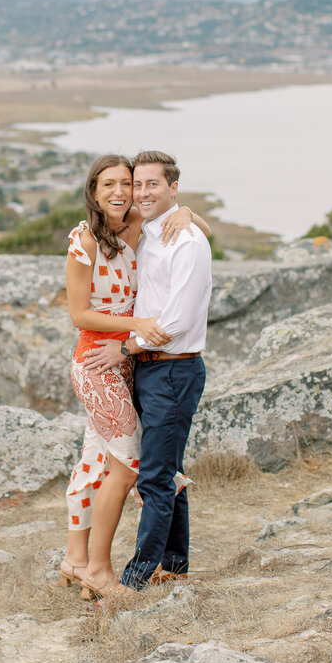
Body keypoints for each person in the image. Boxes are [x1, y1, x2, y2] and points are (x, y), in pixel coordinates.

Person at [59, 154, 211, 599]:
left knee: (97, 461)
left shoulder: (137, 229)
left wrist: (185, 211)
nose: (123, 192)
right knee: (127, 467)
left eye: (129, 183)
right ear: (93, 190)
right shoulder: (84, 240)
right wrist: (136, 329)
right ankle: (101, 572)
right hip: (101, 360)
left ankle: (76, 558)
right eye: (111, 185)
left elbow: (200, 232)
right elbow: (77, 313)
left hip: (130, 362)